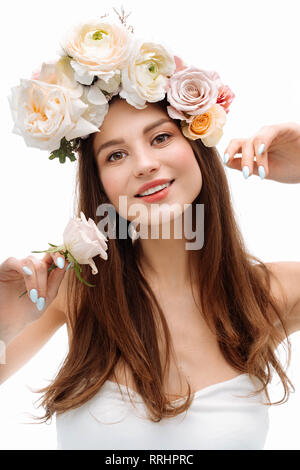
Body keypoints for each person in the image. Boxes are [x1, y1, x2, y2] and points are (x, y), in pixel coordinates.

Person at [1, 13, 300, 450]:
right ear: (99, 183)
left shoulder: (273, 292)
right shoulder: (72, 289)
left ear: (196, 145)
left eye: (160, 138)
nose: (143, 164)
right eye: (115, 155)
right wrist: (3, 325)